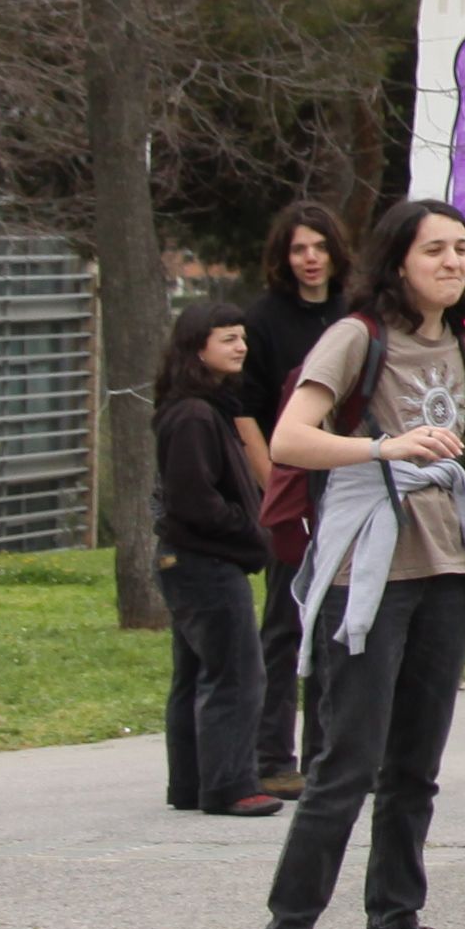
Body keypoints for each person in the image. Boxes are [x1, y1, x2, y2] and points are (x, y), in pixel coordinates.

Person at [248, 198, 465, 929]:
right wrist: (382, 446)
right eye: (434, 249)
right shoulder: (357, 336)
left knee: (415, 767)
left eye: (463, 248)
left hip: (444, 568)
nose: (453, 262)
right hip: (365, 569)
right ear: (397, 260)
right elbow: (292, 438)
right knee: (347, 762)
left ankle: (394, 927)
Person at [151, 301, 277, 819]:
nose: (241, 347)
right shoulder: (194, 415)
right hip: (205, 562)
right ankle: (230, 785)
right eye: (227, 338)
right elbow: (193, 499)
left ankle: (191, 783)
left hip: (188, 561)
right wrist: (251, 532)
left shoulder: (203, 409)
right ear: (197, 346)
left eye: (242, 337)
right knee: (236, 673)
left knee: (195, 673)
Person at [239, 204, 349, 800]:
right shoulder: (264, 320)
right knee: (284, 624)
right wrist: (275, 480)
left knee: (336, 624)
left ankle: (328, 753)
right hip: (290, 488)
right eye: (299, 249)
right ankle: (271, 756)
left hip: (347, 485)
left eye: (319, 247)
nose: (310, 259)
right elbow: (247, 414)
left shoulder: (353, 317)